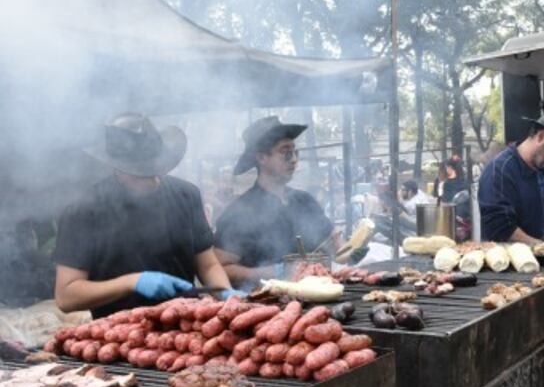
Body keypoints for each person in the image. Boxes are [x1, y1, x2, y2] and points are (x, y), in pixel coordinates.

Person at [53, 113, 233, 318]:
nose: (151, 178)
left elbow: (208, 264)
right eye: (139, 171)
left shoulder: (186, 195)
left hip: (187, 325)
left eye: (155, 167)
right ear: (116, 166)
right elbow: (66, 296)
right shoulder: (84, 210)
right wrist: (133, 282)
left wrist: (226, 295)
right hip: (119, 335)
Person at [215, 116, 340, 287]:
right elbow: (220, 268)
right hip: (267, 306)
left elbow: (334, 246)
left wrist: (351, 250)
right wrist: (269, 273)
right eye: (285, 152)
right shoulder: (239, 212)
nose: (294, 159)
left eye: (295, 152)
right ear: (261, 158)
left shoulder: (305, 201)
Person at [478, 108, 544, 244]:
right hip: (511, 261)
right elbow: (500, 228)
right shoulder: (500, 170)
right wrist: (543, 248)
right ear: (541, 137)